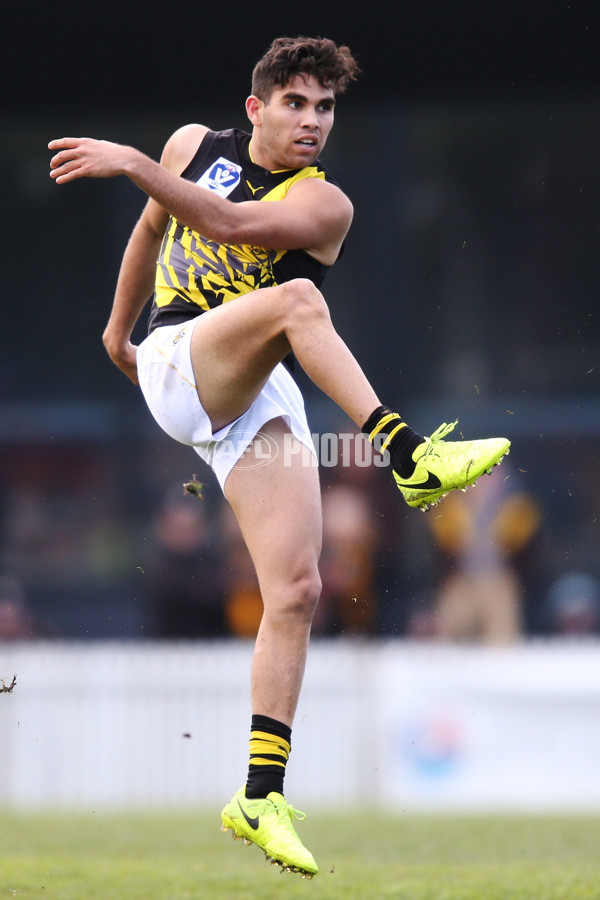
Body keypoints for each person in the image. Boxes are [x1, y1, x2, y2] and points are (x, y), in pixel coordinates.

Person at [48, 36, 510, 877]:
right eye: (295, 104)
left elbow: (218, 221)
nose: (313, 122)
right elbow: (155, 230)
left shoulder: (326, 204)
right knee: (294, 299)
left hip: (250, 385)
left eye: (325, 108)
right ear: (256, 107)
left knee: (296, 591)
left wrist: (128, 162)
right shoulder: (194, 145)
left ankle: (259, 795)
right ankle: (408, 454)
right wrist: (118, 332)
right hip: (181, 363)